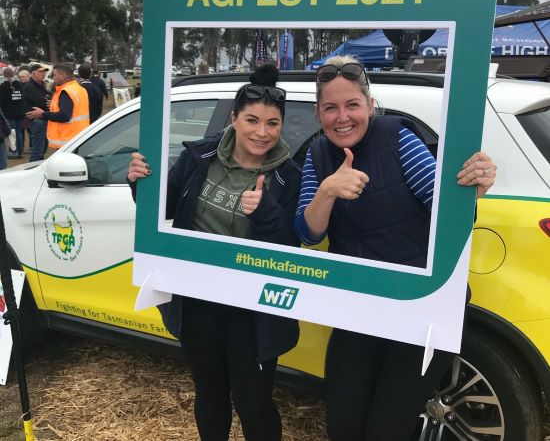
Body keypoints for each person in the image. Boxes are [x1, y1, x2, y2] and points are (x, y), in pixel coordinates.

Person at [293, 55, 497, 441]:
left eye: (352, 104)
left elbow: (447, 212)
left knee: (388, 427)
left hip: (421, 306)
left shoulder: (397, 137)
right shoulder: (318, 155)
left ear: (370, 105)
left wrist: (476, 188)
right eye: (330, 108)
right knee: (343, 423)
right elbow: (308, 232)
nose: (342, 117)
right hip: (359, 306)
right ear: (319, 113)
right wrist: (327, 191)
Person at [128, 64, 301, 441]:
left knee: (253, 402)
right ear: (234, 118)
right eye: (252, 120)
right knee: (209, 393)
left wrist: (267, 211)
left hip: (253, 311)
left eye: (272, 123)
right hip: (199, 300)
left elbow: (291, 251)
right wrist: (140, 182)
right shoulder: (199, 157)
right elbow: (164, 207)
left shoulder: (290, 176)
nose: (262, 132)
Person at [26, 63, 89, 150]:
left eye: (55, 75)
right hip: (79, 136)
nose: (53, 78)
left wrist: (43, 114)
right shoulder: (80, 89)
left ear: (63, 75)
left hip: (68, 137)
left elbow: (64, 116)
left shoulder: (66, 91)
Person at [22, 64, 50, 161]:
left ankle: (37, 169)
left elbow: (50, 97)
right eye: (41, 72)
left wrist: (48, 99)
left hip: (43, 119)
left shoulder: (41, 85)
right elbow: (43, 102)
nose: (44, 74)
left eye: (44, 72)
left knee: (42, 149)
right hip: (37, 121)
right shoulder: (29, 87)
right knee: (38, 151)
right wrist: (48, 100)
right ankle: (32, 171)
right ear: (33, 73)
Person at [0, 66, 25, 158]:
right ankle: (20, 151)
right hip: (20, 112)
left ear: (4, 75)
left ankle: (14, 151)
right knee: (18, 132)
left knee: (12, 133)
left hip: (9, 113)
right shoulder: (20, 85)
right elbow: (23, 98)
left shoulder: (3, 86)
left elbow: (1, 102)